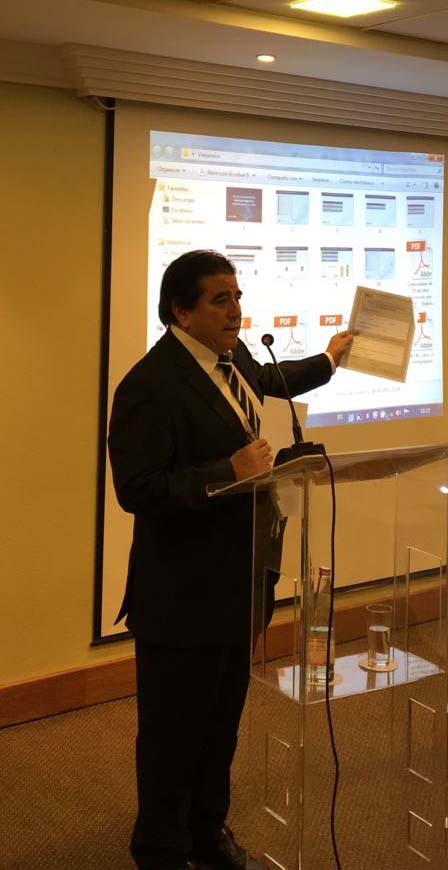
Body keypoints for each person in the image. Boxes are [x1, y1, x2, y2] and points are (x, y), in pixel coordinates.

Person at [108, 250, 353, 870]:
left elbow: (270, 379)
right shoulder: (149, 385)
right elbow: (137, 489)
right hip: (182, 595)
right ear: (180, 309)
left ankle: (206, 831)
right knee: (173, 733)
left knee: (221, 724)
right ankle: (160, 850)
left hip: (241, 581)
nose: (236, 310)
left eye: (238, 297)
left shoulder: (233, 357)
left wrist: (329, 360)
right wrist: (228, 470)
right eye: (221, 300)